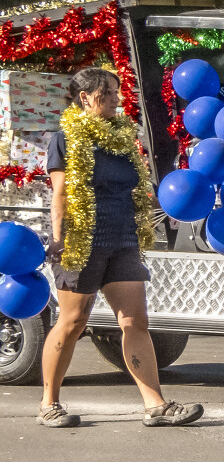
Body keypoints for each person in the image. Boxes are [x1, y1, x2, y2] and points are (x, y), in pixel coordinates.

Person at [38, 67, 201, 428]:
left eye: (117, 91)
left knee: (134, 321)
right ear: (85, 97)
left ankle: (155, 405)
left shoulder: (122, 139)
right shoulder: (65, 139)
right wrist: (60, 239)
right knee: (73, 321)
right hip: (83, 240)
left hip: (124, 238)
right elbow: (60, 194)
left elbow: (134, 187)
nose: (117, 98)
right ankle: (49, 403)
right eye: (108, 92)